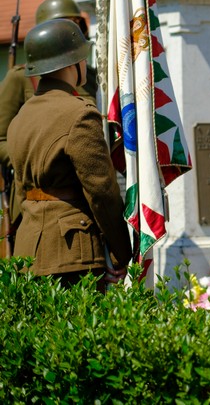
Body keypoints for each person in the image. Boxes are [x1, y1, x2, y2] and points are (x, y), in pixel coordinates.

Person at [8, 19, 131, 288]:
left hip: (27, 252)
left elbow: (21, 191)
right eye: (82, 57)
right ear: (70, 63)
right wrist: (122, 253)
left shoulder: (20, 118)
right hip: (73, 254)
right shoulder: (79, 114)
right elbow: (102, 192)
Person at [0, 0, 97, 254]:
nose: (69, 31)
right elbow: (1, 138)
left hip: (87, 189)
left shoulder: (92, 77)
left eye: (75, 24)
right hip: (39, 193)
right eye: (62, 23)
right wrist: (34, 160)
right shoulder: (20, 78)